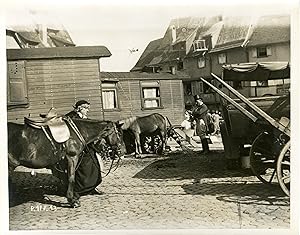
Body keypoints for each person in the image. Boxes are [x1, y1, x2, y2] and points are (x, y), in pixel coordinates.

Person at [64, 100, 103, 195]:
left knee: (95, 164)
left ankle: (92, 187)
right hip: (76, 147)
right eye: (86, 108)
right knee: (84, 167)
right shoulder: (72, 117)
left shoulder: (84, 118)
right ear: (80, 108)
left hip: (87, 146)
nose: (87, 111)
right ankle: (80, 189)